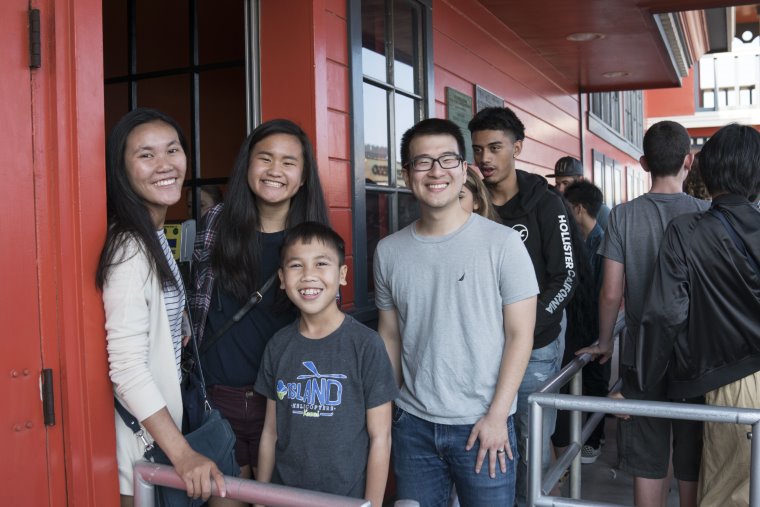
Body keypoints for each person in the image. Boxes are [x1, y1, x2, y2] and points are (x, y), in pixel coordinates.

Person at [376, 118, 538, 506]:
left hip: (484, 425)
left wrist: (498, 416)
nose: (436, 172)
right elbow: (390, 335)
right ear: (406, 174)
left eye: (447, 159)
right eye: (423, 162)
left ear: (464, 168)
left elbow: (521, 335)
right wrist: (389, 412)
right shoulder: (388, 251)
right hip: (413, 426)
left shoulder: (504, 244)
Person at [97, 108, 228, 506]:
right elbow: (127, 368)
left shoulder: (153, 235)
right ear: (121, 170)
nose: (165, 165)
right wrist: (183, 453)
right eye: (146, 155)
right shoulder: (129, 249)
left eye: (172, 150)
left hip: (167, 435)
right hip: (146, 453)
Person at [190, 119, 330, 486]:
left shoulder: (314, 235)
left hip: (286, 400)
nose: (274, 170)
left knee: (279, 495)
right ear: (247, 166)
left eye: (288, 162)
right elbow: (196, 300)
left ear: (302, 177)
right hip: (218, 398)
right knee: (226, 495)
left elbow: (326, 320)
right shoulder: (216, 224)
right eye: (264, 158)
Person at [577, 120, 709, 507]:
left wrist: (604, 342)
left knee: (648, 455)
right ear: (689, 161)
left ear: (643, 162)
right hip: (695, 355)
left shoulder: (622, 215)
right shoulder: (706, 212)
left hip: (641, 353)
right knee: (693, 453)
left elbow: (611, 292)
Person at [638, 124, 760, 507]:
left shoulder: (686, 232)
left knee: (729, 493)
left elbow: (665, 315)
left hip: (731, 383)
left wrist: (641, 381)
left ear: (706, 171)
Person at [468, 106, 578, 502]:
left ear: (518, 148)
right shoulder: (472, 202)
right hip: (482, 348)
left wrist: (527, 327)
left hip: (536, 346)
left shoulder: (547, 204)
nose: (485, 158)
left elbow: (566, 278)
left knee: (530, 445)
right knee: (491, 440)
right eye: (478, 149)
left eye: (495, 147)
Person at [254, 222, 397, 505]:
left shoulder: (366, 345)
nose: (309, 276)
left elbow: (381, 437)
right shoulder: (278, 345)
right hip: (285, 497)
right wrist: (259, 498)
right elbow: (270, 432)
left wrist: (372, 504)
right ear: (282, 278)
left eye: (321, 264)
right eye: (296, 266)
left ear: (342, 274)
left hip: (346, 500)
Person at [560, 180, 609, 463]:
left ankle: (593, 440)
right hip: (579, 327)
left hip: (596, 327)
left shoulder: (602, 242)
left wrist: (602, 336)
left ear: (578, 209)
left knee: (596, 382)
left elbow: (606, 292)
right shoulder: (577, 240)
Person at [547, 156, 610, 230]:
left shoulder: (602, 212)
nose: (560, 189)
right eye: (557, 184)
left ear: (580, 180)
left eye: (565, 183)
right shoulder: (557, 207)